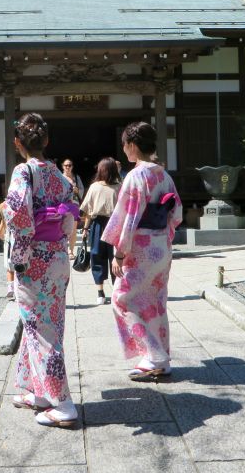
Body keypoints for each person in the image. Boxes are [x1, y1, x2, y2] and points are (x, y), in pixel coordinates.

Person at [2, 113, 79, 427]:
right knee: (48, 326)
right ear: (46, 141)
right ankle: (41, 392)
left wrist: (16, 257)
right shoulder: (61, 178)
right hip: (58, 258)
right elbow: (69, 219)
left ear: (17, 143)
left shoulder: (24, 170)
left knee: (40, 331)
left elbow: (18, 213)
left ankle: (63, 405)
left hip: (34, 260)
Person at [101, 122, 183, 381]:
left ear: (133, 145)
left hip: (141, 248)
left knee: (122, 299)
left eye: (125, 145)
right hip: (161, 245)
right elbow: (176, 213)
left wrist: (119, 253)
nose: (124, 150)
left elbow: (128, 217)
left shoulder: (136, 176)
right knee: (156, 301)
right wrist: (164, 237)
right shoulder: (164, 175)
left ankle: (154, 355)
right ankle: (162, 359)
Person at [80, 157, 121, 305]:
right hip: (113, 224)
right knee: (112, 257)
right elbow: (89, 210)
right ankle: (106, 291)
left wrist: (86, 227)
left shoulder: (97, 187)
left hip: (100, 224)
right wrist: (85, 228)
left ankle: (102, 292)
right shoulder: (117, 187)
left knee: (100, 256)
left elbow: (87, 210)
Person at [61, 158, 84, 257]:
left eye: (69, 165)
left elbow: (81, 190)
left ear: (72, 166)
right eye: (66, 165)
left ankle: (70, 251)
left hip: (74, 204)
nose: (68, 167)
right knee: (62, 228)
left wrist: (77, 190)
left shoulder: (76, 177)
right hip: (63, 205)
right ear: (62, 166)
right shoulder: (60, 177)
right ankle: (63, 249)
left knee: (74, 229)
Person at [0, 202, 15, 300]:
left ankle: (10, 289)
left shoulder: (4, 220)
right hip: (20, 243)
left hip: (8, 243)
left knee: (9, 268)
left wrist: (4, 239)